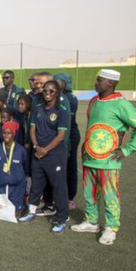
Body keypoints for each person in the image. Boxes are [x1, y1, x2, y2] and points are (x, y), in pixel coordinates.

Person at [71, 69, 136, 245]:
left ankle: (111, 227)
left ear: (110, 84)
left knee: (110, 194)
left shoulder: (121, 104)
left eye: (99, 80)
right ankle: (91, 221)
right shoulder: (94, 101)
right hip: (89, 158)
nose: (96, 83)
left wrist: (127, 150)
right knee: (90, 193)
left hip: (109, 162)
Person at [19, 80, 69, 234]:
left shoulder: (62, 110)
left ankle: (62, 218)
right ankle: (31, 211)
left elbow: (61, 136)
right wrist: (36, 147)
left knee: (58, 187)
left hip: (54, 155)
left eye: (51, 91)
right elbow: (32, 129)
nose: (47, 94)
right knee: (36, 185)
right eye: (45, 91)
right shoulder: (38, 108)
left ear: (57, 93)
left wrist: (45, 149)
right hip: (38, 153)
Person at [54, 72, 81, 210]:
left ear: (65, 84)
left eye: (58, 82)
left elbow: (67, 123)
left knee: (70, 166)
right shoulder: (56, 97)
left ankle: (70, 197)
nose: (56, 84)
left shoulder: (70, 99)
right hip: (60, 134)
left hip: (70, 136)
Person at [0, 121, 29, 215]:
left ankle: (22, 203)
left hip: (17, 187)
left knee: (15, 213)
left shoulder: (21, 150)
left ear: (14, 134)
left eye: (9, 133)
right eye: (4, 133)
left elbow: (26, 168)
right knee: (0, 212)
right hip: (1, 187)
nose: (6, 135)